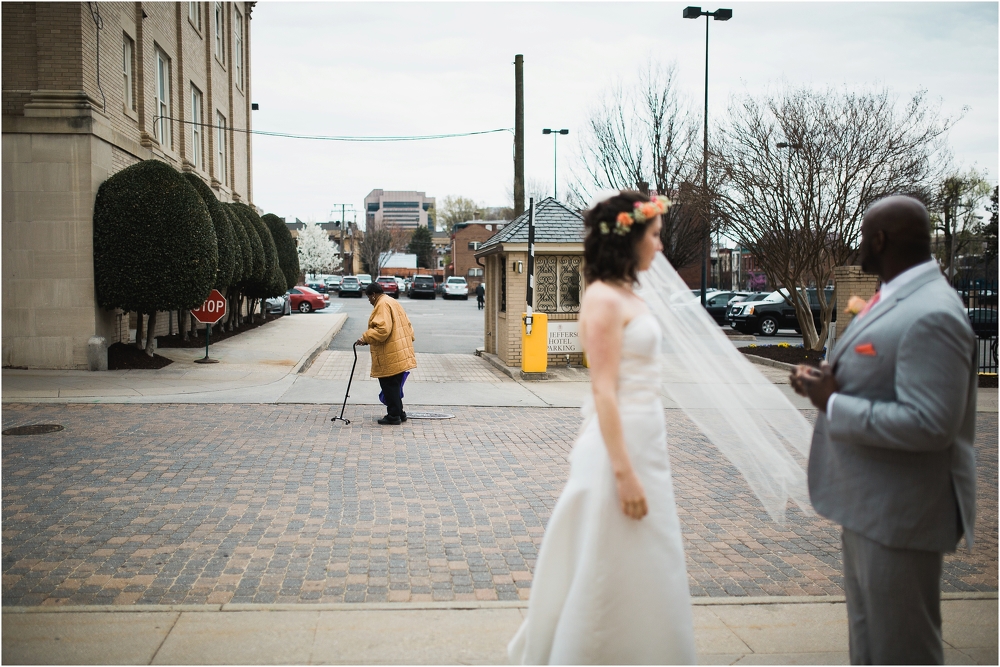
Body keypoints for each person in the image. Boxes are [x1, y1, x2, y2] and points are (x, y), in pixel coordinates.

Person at [508, 192, 696, 664]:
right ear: (630, 238)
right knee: (607, 558)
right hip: (620, 449)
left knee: (652, 560)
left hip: (648, 441)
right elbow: (604, 390)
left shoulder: (634, 294)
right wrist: (624, 473)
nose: (659, 247)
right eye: (654, 237)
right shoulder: (603, 298)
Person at [791, 195, 977, 665]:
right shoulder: (896, 295)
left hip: (902, 515)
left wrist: (832, 402)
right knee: (870, 646)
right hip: (868, 505)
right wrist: (828, 381)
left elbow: (930, 424)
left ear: (879, 239)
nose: (858, 245)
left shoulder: (933, 312)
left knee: (902, 649)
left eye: (862, 235)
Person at [356, 282, 416, 425]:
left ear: (374, 294)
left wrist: (365, 338)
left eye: (369, 297)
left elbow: (382, 330)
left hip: (390, 352)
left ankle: (394, 415)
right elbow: (408, 326)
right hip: (398, 349)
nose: (369, 301)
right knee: (394, 385)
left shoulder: (381, 305)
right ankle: (399, 413)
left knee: (389, 385)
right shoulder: (392, 301)